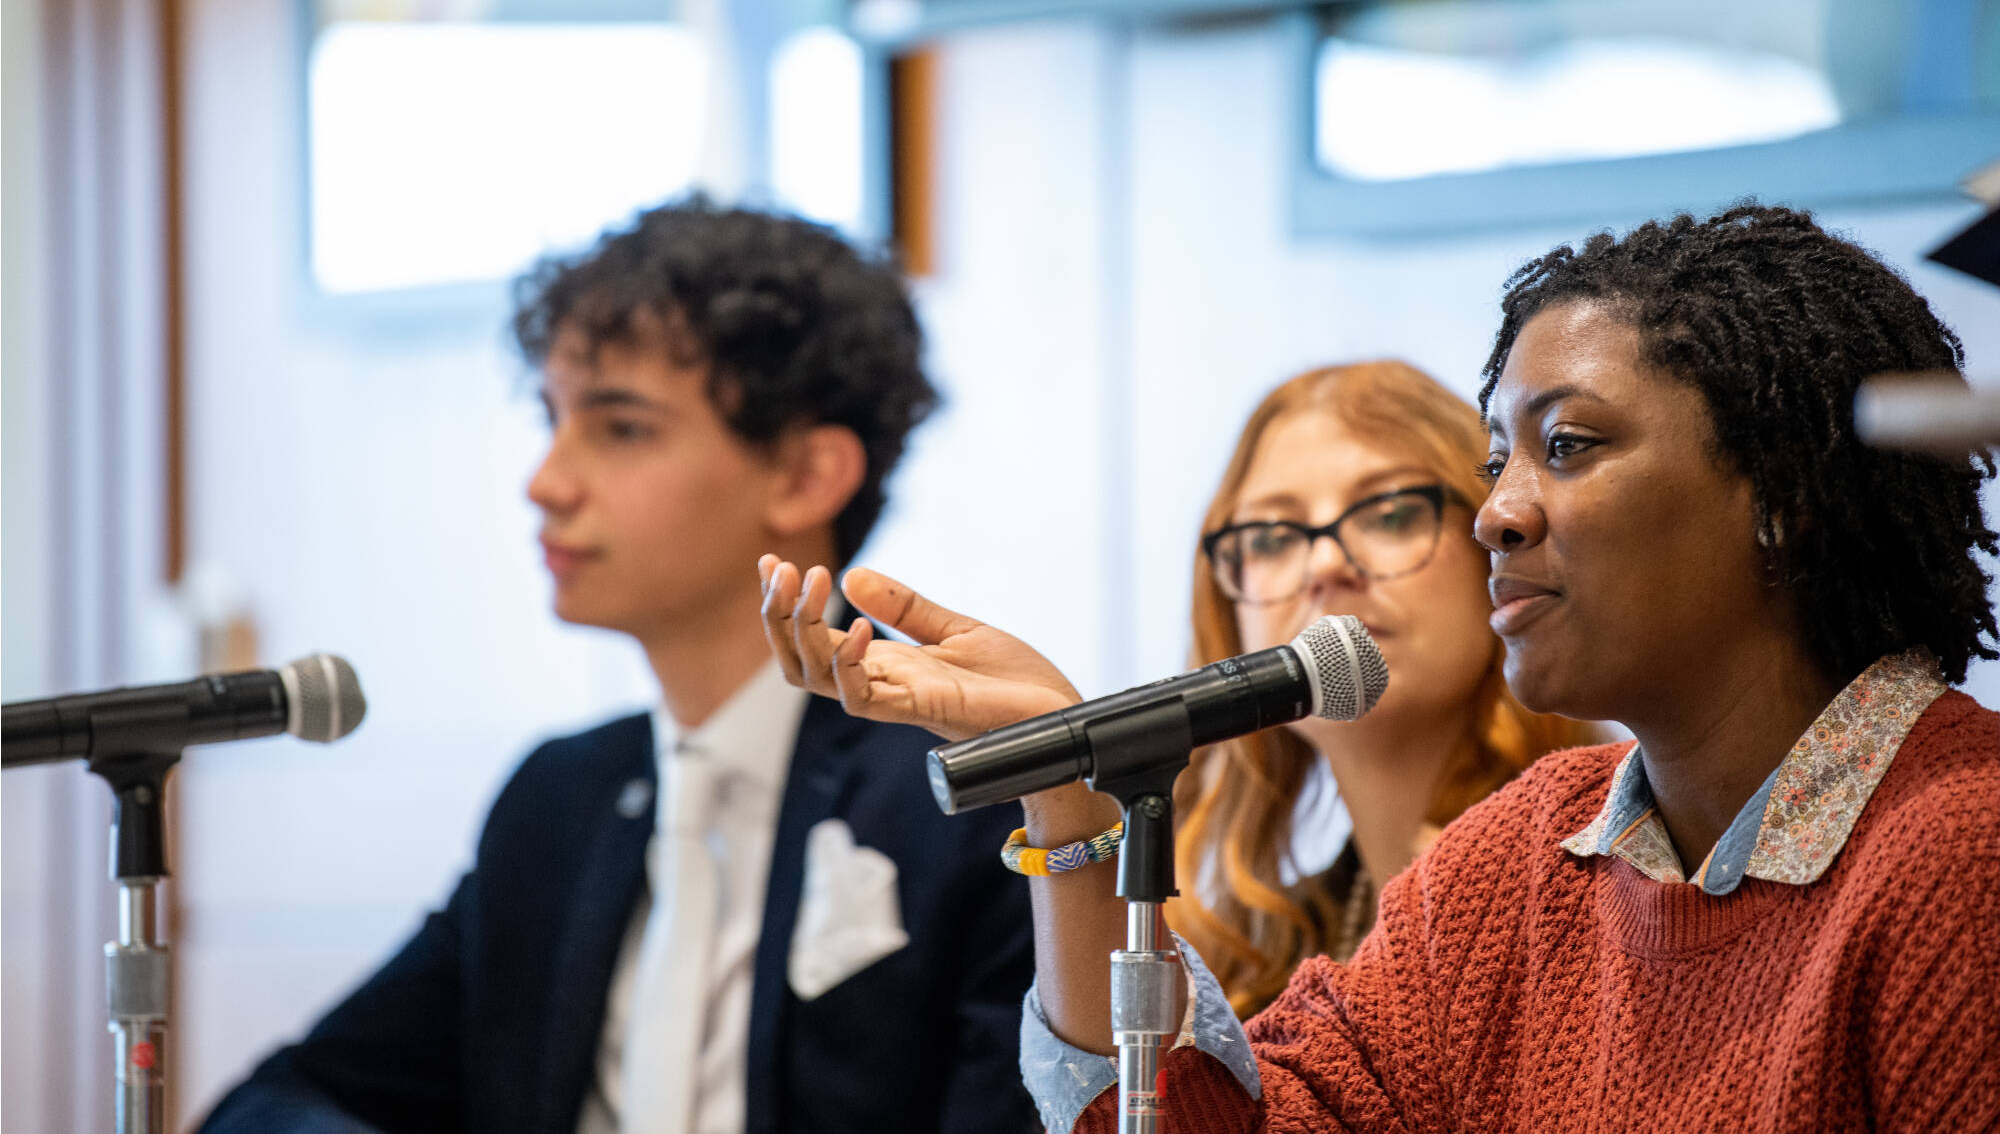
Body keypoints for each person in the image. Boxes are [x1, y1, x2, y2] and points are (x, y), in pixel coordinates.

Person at [762, 204, 2000, 1132]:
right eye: (1493, 462)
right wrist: (1074, 810)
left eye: (1566, 447)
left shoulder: (1960, 851)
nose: (1497, 516)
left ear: (1775, 494)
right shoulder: (1513, 866)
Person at [201, 201, 1039, 1134]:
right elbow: (278, 1102)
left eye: (622, 428)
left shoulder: (976, 796)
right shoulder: (560, 799)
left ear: (805, 475)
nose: (546, 482)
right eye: (551, 419)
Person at [1168, 362, 1593, 1015]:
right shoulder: (1259, 957)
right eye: (1274, 535)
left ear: (1497, 542)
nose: (1325, 563)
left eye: (1390, 513)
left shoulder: (1608, 890)